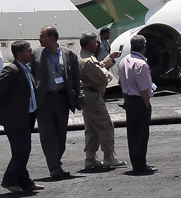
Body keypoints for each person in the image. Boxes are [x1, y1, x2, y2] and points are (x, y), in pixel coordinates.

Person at [29, 26, 83, 180]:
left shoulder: (68, 54)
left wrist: (80, 98)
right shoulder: (36, 54)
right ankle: (54, 167)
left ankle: (56, 162)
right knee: (47, 135)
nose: (39, 39)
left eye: (42, 36)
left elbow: (76, 79)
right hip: (44, 101)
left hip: (62, 100)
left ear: (52, 38)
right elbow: (30, 75)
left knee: (60, 135)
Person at [0, 41, 42, 194]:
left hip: (26, 117)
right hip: (14, 119)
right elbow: (0, 94)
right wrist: (0, 112)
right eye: (28, 51)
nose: (31, 53)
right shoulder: (11, 70)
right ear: (19, 54)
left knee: (21, 150)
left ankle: (25, 182)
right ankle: (9, 180)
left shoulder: (26, 70)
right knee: (22, 150)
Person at [78, 32, 126, 170]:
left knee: (92, 128)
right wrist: (106, 72)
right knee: (106, 125)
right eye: (95, 42)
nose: (97, 44)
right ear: (89, 43)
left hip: (88, 97)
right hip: (94, 97)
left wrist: (109, 59)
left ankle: (90, 157)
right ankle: (109, 157)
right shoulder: (88, 61)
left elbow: (98, 66)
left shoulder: (84, 57)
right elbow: (102, 77)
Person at [115, 34, 155, 174]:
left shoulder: (124, 61)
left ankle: (136, 162)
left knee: (132, 133)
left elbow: (122, 83)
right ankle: (141, 165)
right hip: (139, 101)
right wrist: (146, 104)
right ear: (144, 48)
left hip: (129, 100)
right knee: (142, 134)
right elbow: (143, 88)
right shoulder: (141, 64)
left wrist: (126, 99)